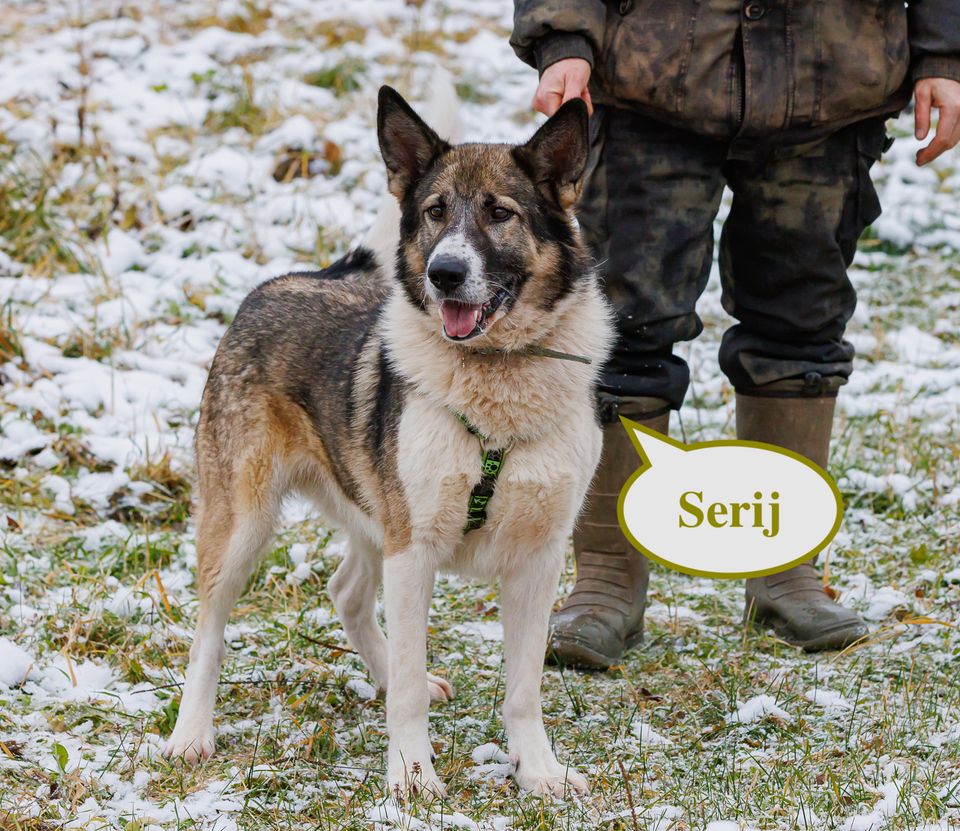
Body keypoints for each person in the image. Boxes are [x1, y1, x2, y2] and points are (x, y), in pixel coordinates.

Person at [511, 1, 960, 669]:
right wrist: (566, 35)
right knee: (624, 329)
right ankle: (606, 578)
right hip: (653, 74)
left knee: (802, 327)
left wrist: (943, 52)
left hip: (833, 76)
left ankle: (785, 569)